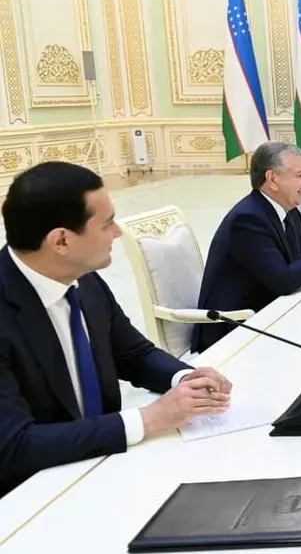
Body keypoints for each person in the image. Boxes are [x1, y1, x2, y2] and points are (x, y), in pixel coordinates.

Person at [0, 162, 231, 497]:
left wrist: (183, 379)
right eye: (107, 223)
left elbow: (133, 354)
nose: (118, 232)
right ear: (61, 240)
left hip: (102, 468)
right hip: (31, 496)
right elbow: (14, 445)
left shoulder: (84, 279)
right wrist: (147, 419)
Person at [192, 142, 301, 354]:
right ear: (273, 179)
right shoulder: (247, 219)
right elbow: (283, 280)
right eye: (300, 175)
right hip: (235, 330)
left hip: (272, 312)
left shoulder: (288, 209)